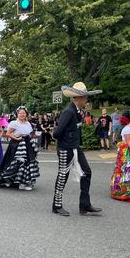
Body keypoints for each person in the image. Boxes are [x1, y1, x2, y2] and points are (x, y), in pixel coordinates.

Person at [52, 82, 103, 216]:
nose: (86, 100)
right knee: (63, 176)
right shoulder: (68, 112)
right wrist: (68, 138)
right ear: (77, 98)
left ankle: (84, 205)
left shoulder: (78, 111)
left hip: (75, 148)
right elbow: (56, 133)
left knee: (86, 172)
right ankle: (56, 206)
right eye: (85, 97)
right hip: (65, 149)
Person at [0, 106, 40, 191]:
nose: (22, 114)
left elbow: (30, 134)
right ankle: (8, 180)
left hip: (27, 144)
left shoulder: (28, 123)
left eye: (23, 113)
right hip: (16, 144)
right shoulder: (14, 123)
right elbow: (8, 133)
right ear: (17, 114)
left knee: (27, 163)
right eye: (20, 113)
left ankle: (23, 182)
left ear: (26, 114)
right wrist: (17, 138)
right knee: (13, 162)